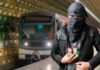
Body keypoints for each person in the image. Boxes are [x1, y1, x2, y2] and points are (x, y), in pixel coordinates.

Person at [51, 2, 100, 70]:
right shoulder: (59, 34)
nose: (75, 19)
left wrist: (90, 64)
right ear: (68, 16)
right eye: (72, 16)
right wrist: (61, 60)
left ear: (84, 18)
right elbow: (53, 53)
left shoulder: (92, 32)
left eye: (79, 17)